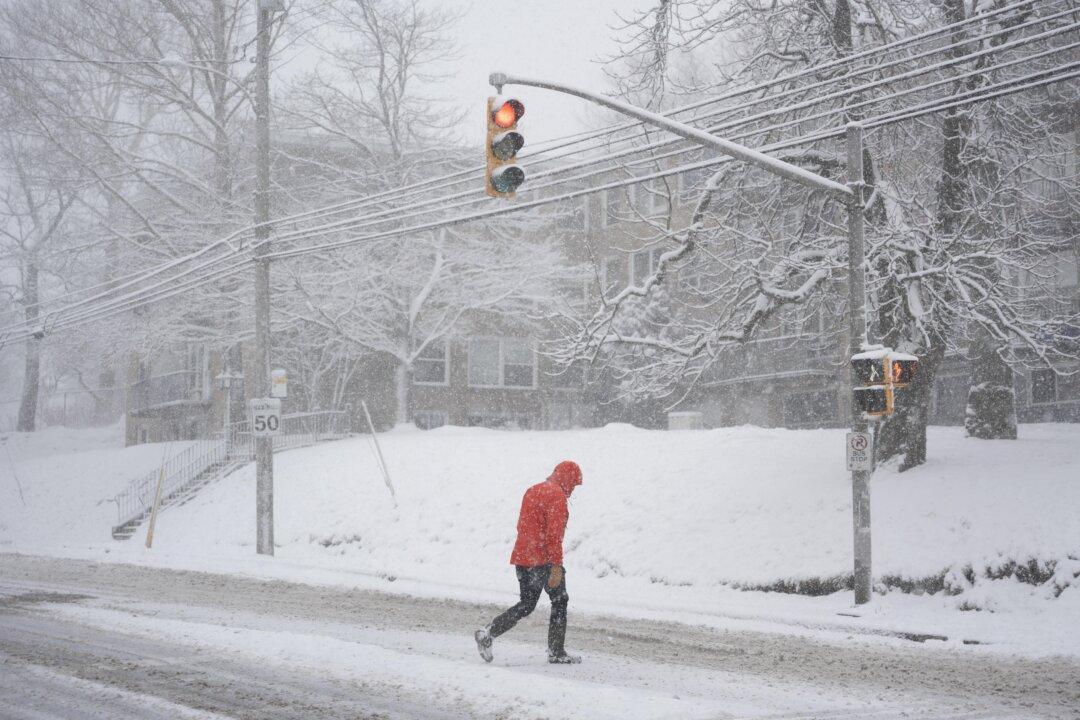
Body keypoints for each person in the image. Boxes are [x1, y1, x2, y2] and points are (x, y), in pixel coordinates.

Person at [474, 460, 583, 664]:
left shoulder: (533, 490)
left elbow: (522, 524)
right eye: (574, 485)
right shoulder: (557, 497)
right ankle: (556, 652)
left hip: (523, 557)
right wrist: (556, 566)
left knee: (526, 604)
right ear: (567, 480)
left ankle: (488, 633)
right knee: (560, 600)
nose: (573, 490)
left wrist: (528, 553)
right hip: (543, 560)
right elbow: (554, 535)